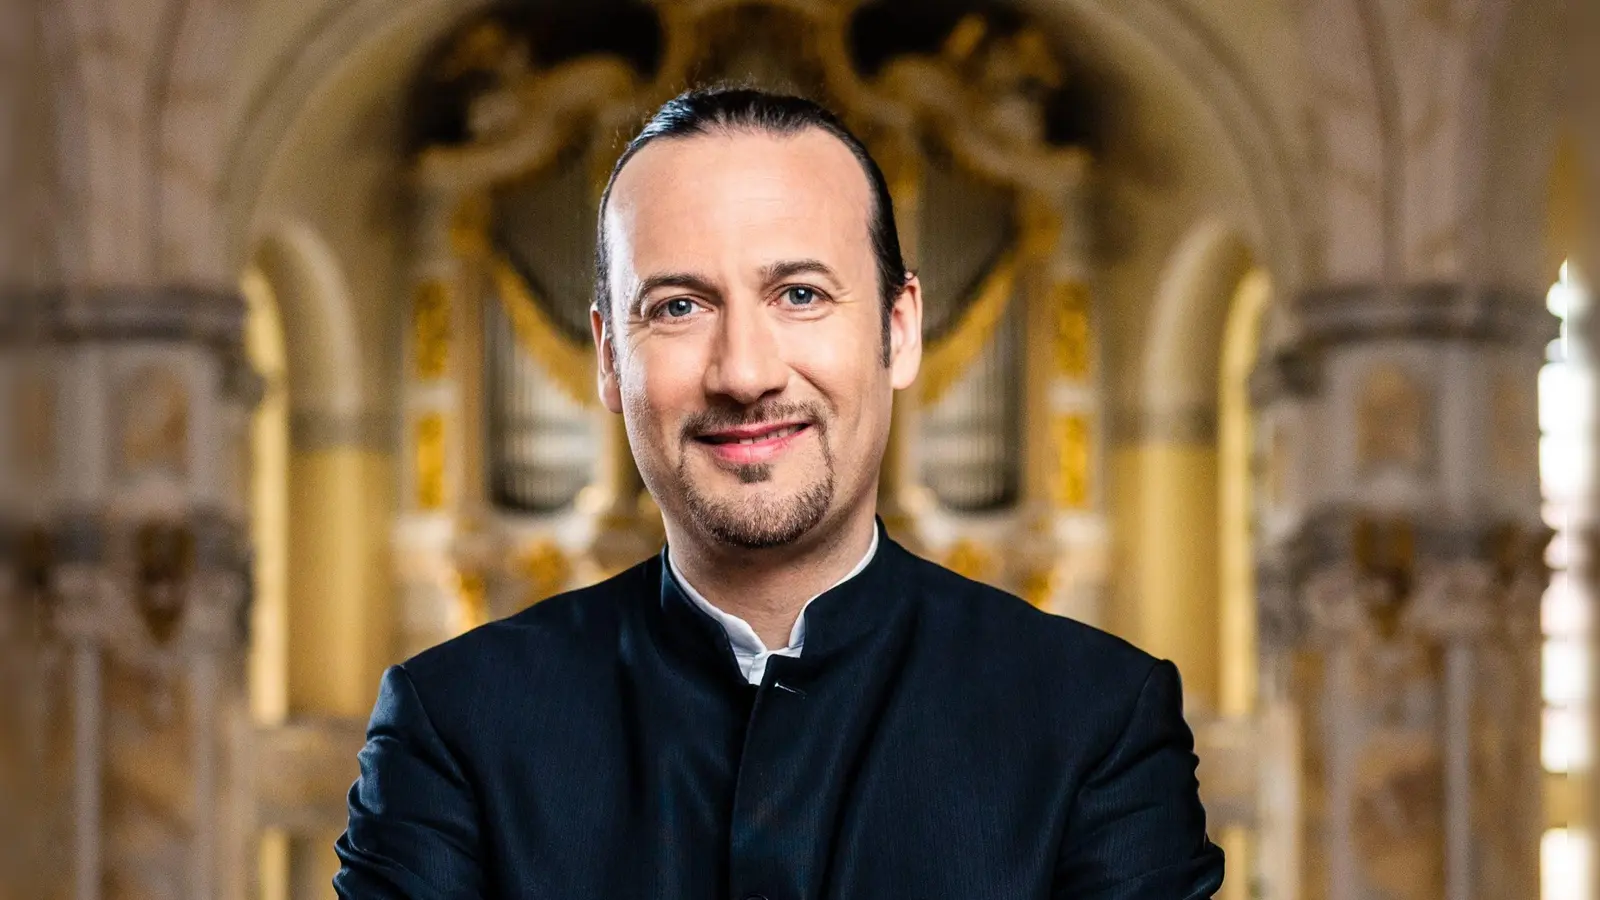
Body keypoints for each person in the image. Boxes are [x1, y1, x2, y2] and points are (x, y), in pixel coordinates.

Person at [335, 86, 1224, 899]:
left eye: (800, 294)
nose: (745, 372)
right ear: (608, 358)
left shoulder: (1098, 721)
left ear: (901, 329)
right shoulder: (451, 726)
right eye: (679, 306)